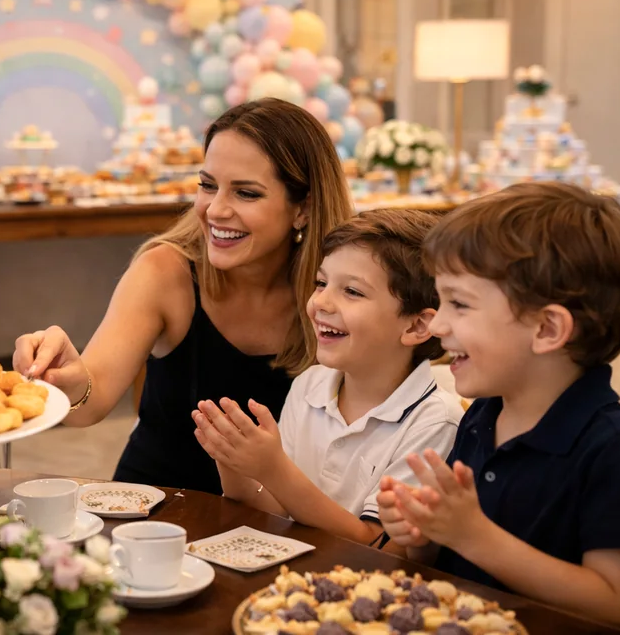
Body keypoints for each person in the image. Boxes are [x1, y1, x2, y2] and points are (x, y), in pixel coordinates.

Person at [13, 99, 353, 494]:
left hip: (282, 524)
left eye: (246, 193)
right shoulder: (164, 271)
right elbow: (90, 402)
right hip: (156, 518)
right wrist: (68, 377)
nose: (215, 210)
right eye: (207, 185)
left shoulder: (336, 291)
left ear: (304, 208)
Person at [376, 182, 620, 628]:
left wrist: (474, 536)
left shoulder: (618, 451)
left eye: (459, 304)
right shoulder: (483, 416)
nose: (439, 323)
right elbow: (449, 560)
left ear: (547, 329)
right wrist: (423, 533)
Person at [193, 209, 463, 549]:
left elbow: (380, 548)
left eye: (351, 291)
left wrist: (273, 469)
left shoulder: (436, 422)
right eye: (321, 283)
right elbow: (279, 511)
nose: (319, 302)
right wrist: (236, 463)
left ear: (416, 326)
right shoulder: (310, 385)